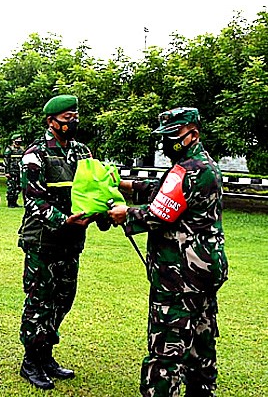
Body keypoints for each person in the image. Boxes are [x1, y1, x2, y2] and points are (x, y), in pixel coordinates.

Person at [108, 107, 228, 397]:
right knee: (201, 338)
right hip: (203, 271)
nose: (166, 143)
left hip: (180, 274)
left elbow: (159, 214)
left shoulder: (191, 169)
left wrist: (126, 214)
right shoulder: (199, 165)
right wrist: (126, 184)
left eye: (173, 136)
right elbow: (164, 187)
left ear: (193, 134)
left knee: (167, 346)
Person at [17, 94, 99, 390]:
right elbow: (34, 202)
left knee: (63, 300)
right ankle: (31, 361)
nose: (73, 122)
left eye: (75, 116)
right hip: (43, 241)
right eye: (67, 119)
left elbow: (94, 189)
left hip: (72, 241)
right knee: (40, 301)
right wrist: (64, 219)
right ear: (51, 122)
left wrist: (100, 211)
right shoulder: (34, 155)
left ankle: (46, 354)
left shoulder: (82, 152)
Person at [3, 133, 25, 208]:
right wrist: (7, 172)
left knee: (18, 187)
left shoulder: (22, 150)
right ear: (13, 141)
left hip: (19, 171)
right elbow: (6, 161)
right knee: (11, 187)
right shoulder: (9, 149)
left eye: (20, 142)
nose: (18, 143)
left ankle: (15, 202)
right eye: (17, 142)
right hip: (12, 172)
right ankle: (10, 202)